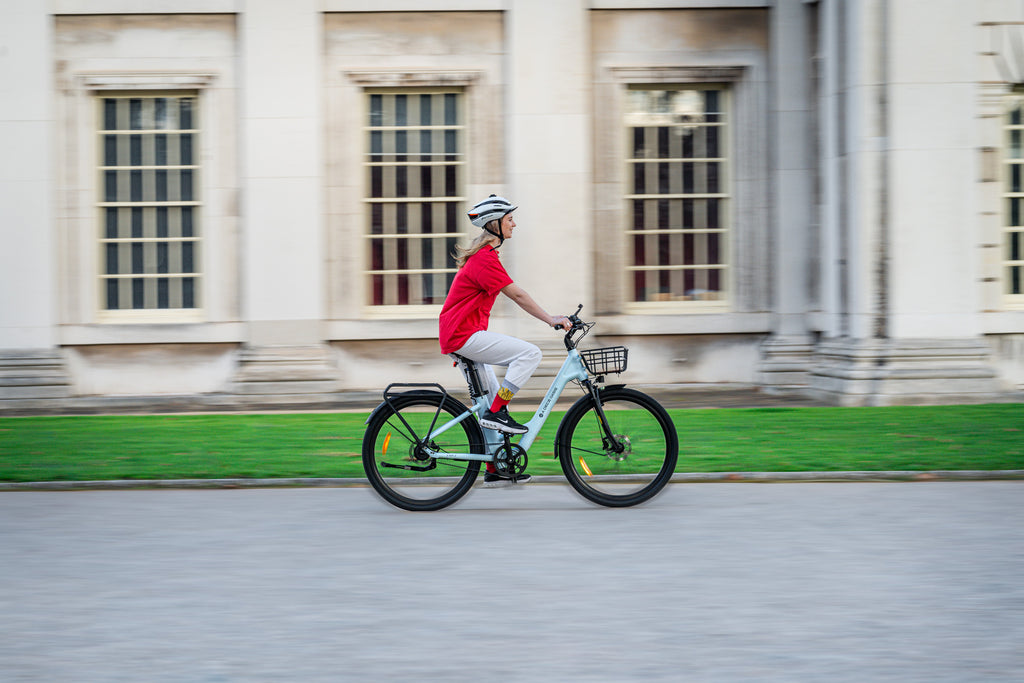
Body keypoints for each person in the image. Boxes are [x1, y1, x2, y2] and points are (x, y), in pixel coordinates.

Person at [439, 195, 571, 485]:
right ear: (495, 224)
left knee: (486, 404)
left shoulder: (485, 257)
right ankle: (499, 411)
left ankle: (494, 467)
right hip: (464, 334)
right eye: (510, 219)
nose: (514, 223)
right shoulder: (484, 259)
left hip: (461, 334)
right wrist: (551, 319)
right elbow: (517, 295)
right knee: (530, 355)